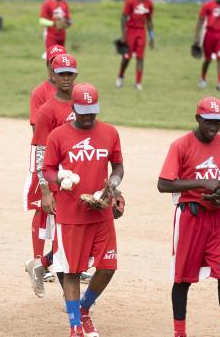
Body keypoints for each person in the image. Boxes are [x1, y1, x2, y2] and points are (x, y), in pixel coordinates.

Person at [43, 83, 124, 337]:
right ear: (73, 108)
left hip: (101, 211)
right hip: (71, 215)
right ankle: (75, 325)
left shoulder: (110, 133)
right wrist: (59, 177)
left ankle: (85, 308)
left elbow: (118, 166)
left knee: (108, 266)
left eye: (93, 111)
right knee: (73, 271)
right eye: (83, 111)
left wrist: (112, 185)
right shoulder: (58, 136)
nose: (89, 116)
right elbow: (46, 170)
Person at [157, 96, 220, 337]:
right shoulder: (180, 146)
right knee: (183, 279)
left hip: (217, 220)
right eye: (208, 121)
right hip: (190, 219)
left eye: (218, 122)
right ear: (197, 118)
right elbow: (163, 184)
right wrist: (202, 183)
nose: (213, 127)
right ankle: (179, 333)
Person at [25, 54, 84, 298]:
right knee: (65, 235)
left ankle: (42, 264)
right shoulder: (48, 109)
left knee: (76, 236)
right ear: (52, 75)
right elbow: (41, 151)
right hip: (57, 178)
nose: (67, 78)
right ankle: (70, 296)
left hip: (80, 175)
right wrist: (46, 189)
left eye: (71, 73)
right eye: (62, 73)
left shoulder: (83, 102)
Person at [24, 44, 66, 285]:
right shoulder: (40, 93)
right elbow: (36, 130)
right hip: (45, 154)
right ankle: (38, 260)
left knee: (67, 209)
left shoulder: (75, 93)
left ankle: (63, 261)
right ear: (49, 66)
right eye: (54, 61)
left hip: (69, 157)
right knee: (42, 206)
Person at [116, 0, 155, 91]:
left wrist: (152, 37)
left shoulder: (149, 3)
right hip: (130, 31)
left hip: (141, 32)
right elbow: (124, 17)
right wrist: (123, 34)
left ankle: (138, 82)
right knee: (126, 57)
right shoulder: (130, 0)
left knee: (140, 58)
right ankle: (120, 76)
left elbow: (149, 20)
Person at [194, 0, 220, 91]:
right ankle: (203, 79)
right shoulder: (208, 5)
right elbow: (200, 21)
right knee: (208, 59)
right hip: (208, 34)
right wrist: (197, 38)